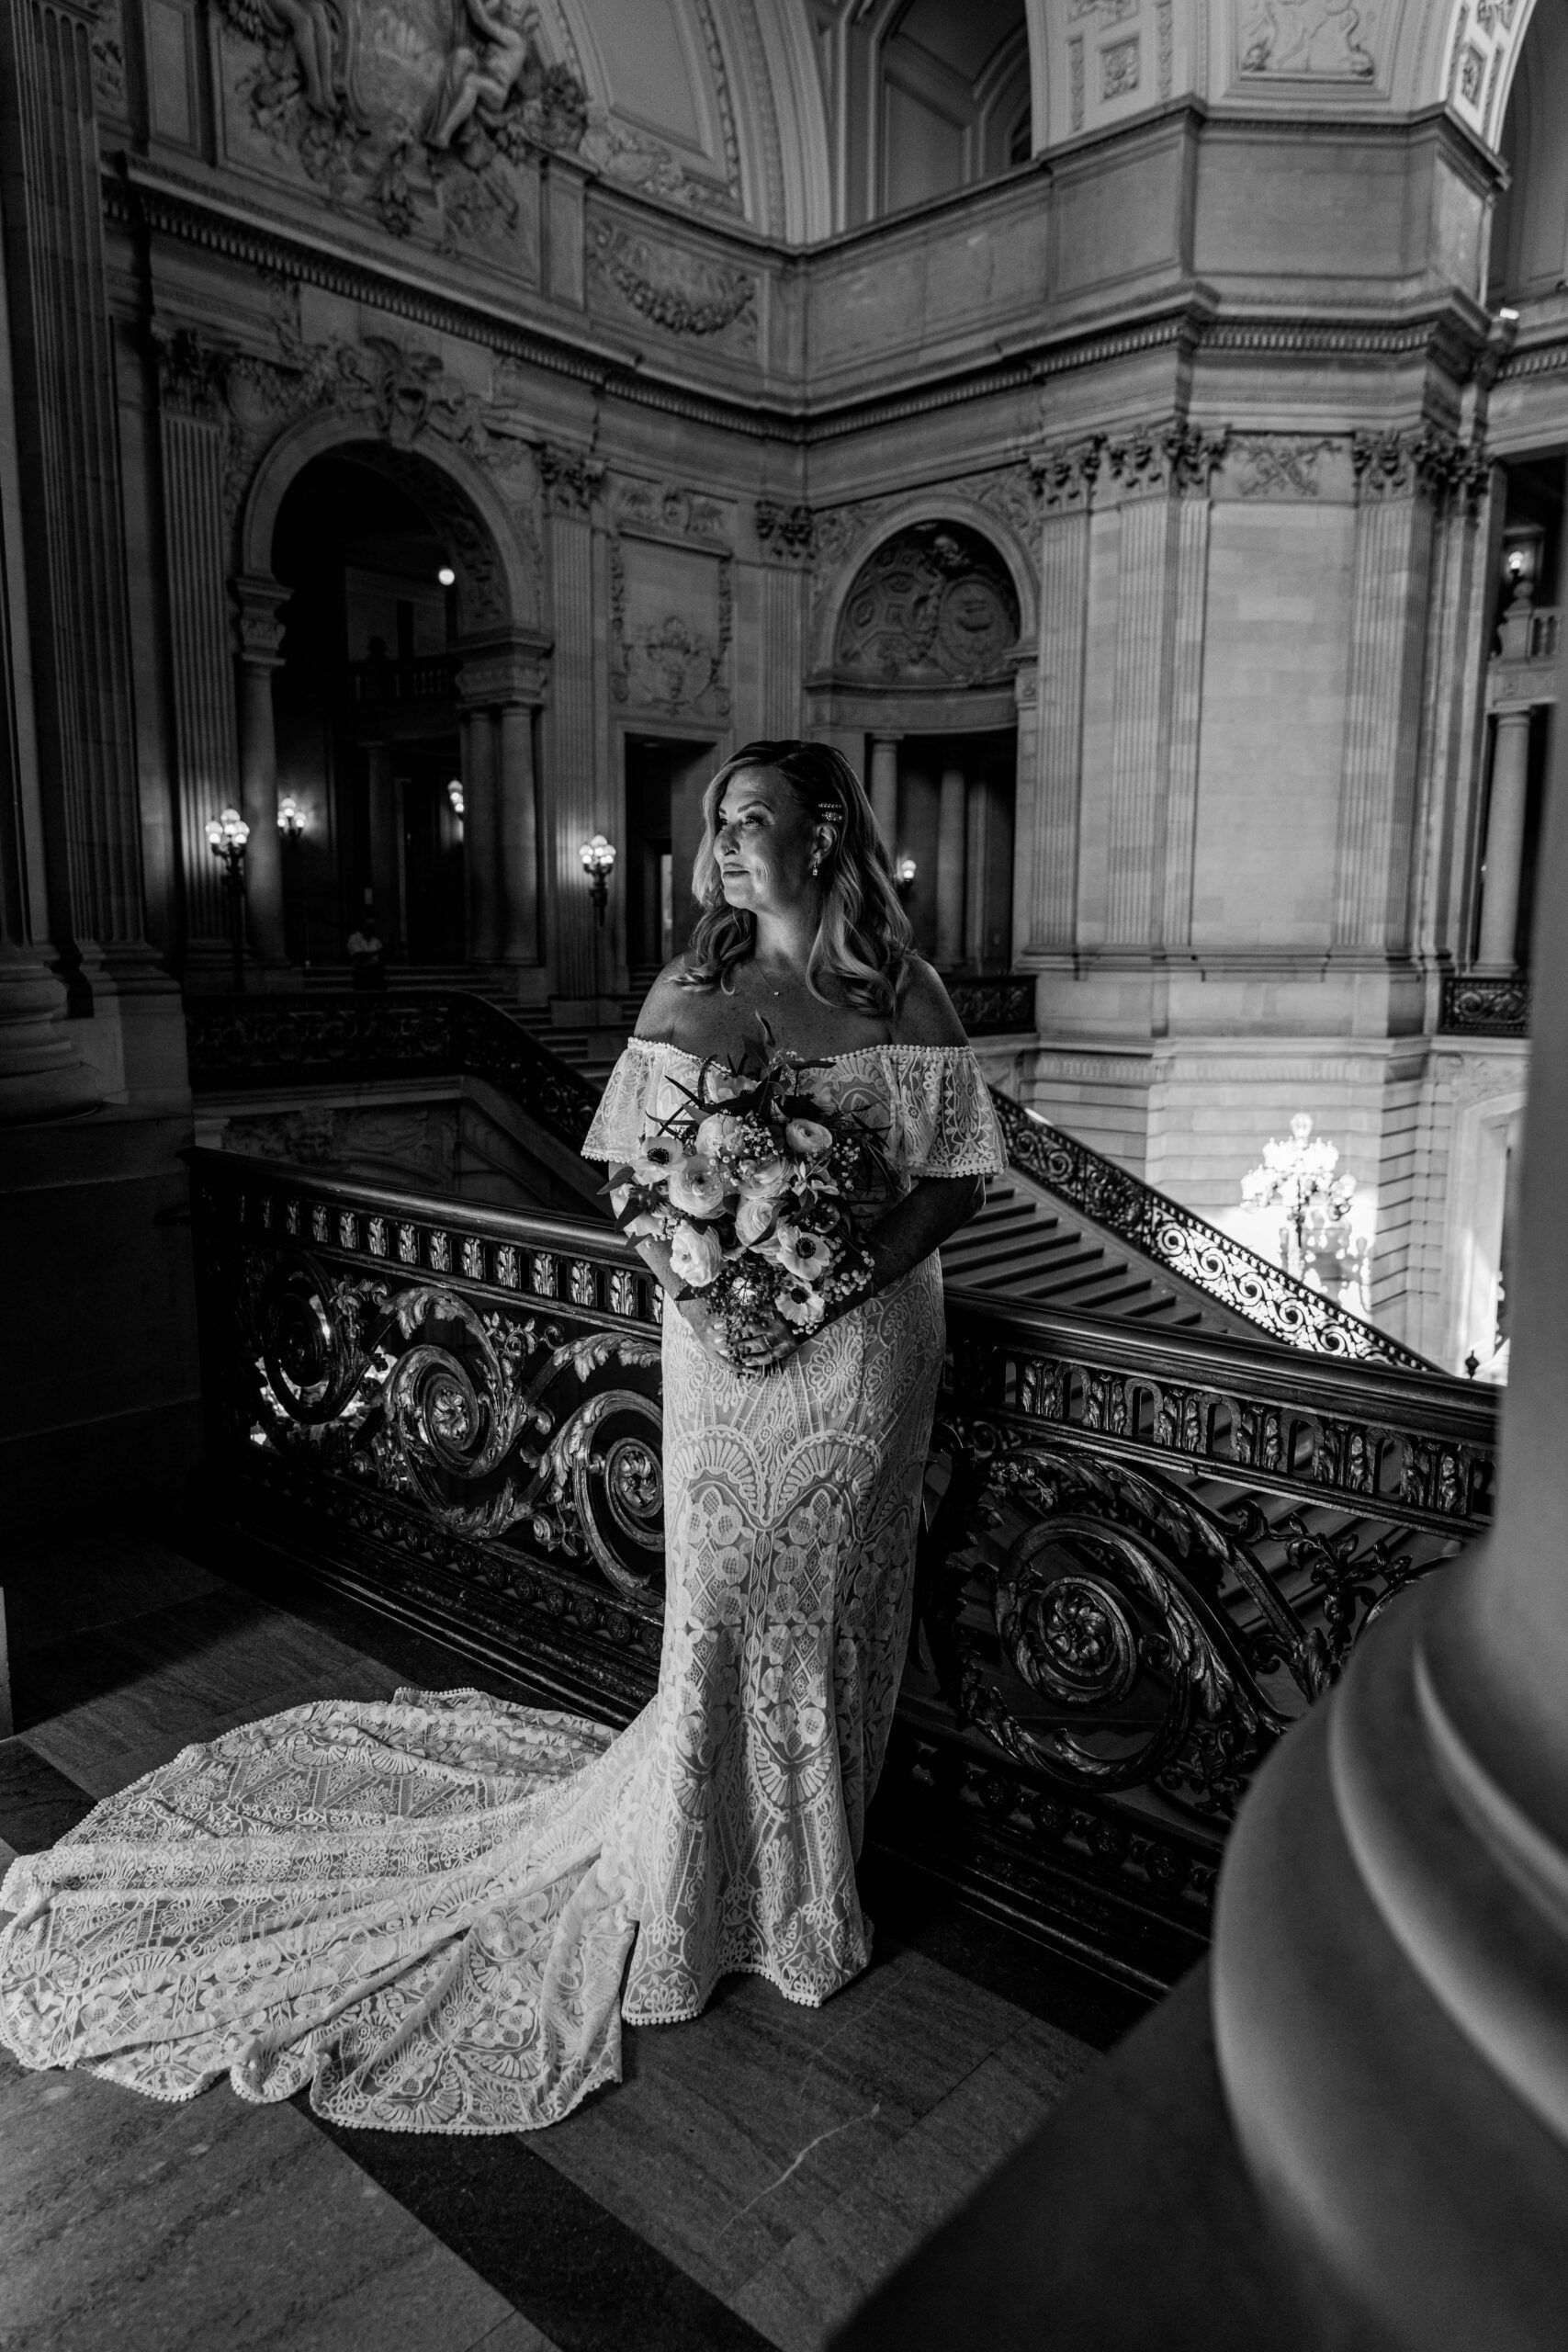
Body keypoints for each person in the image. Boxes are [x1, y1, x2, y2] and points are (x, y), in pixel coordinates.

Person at [0, 741, 1005, 2133]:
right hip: (727, 1359)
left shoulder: (909, 993)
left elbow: (957, 1178)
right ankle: (695, 1895)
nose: (721, 844)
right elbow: (634, 1184)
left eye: (751, 819)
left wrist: (838, 1275)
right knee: (718, 1618)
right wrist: (716, 1284)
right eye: (714, 821)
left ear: (825, 832)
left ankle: (805, 1895)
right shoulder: (697, 990)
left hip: (870, 1355)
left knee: (839, 1612)